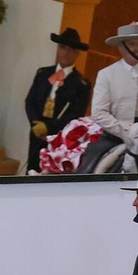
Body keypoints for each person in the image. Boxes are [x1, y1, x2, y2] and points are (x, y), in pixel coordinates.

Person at [78, 22, 138, 175]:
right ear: (121, 47)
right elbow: (99, 113)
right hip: (117, 138)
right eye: (132, 44)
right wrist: (128, 131)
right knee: (91, 171)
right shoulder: (106, 74)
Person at [23, 28, 92, 173]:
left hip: (59, 138)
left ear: (77, 53)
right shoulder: (43, 73)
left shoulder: (81, 84)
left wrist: (49, 127)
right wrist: (35, 123)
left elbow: (75, 114)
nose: (65, 53)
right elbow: (30, 101)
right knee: (31, 170)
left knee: (51, 173)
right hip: (37, 132)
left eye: (70, 49)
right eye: (62, 48)